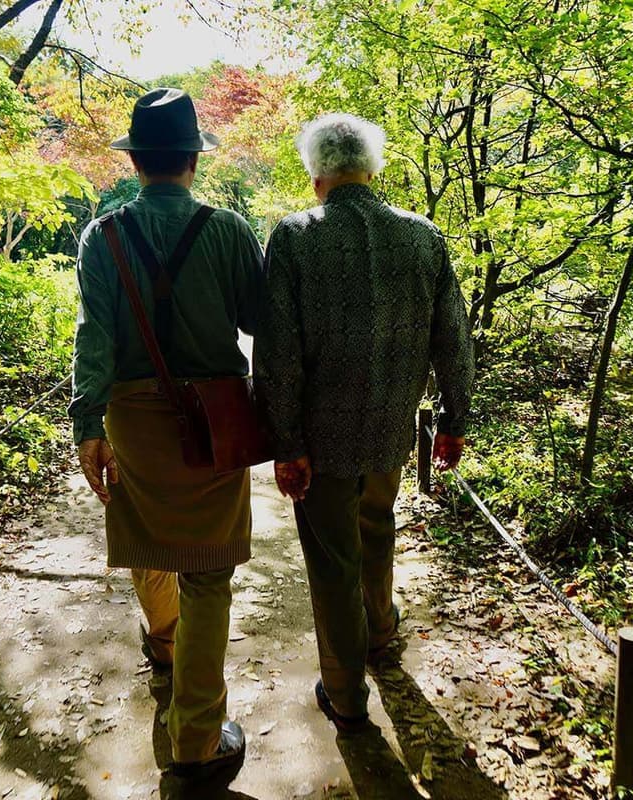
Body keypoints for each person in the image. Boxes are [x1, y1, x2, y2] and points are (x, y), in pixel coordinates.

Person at [254, 113, 475, 732]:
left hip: (319, 442)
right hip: (390, 433)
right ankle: (381, 631)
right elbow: (453, 339)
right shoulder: (422, 236)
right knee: (376, 527)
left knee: (332, 559)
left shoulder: (296, 237)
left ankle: (347, 693)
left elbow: (277, 353)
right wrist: (456, 420)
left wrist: (286, 442)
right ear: (373, 170)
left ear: (316, 172)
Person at [68, 88, 263, 780]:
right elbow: (258, 323)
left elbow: (93, 335)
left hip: (132, 415)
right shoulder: (231, 230)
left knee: (150, 543)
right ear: (191, 159)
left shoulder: (103, 235)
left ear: (139, 159)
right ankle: (197, 739)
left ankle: (163, 644)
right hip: (212, 420)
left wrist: (86, 423)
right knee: (208, 575)